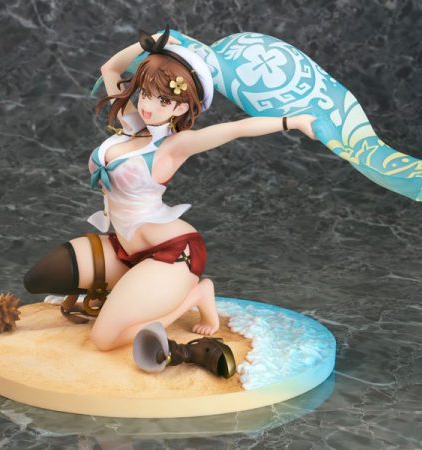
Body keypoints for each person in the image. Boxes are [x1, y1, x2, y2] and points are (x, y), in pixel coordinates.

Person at [23, 27, 317, 355]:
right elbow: (110, 69)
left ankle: (194, 296)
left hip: (172, 253)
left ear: (180, 108)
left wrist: (292, 122)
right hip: (125, 247)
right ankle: (132, 290)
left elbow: (235, 129)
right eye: (146, 93)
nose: (148, 105)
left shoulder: (174, 147)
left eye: (163, 100)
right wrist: (153, 42)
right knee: (45, 274)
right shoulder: (130, 123)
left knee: (104, 339)